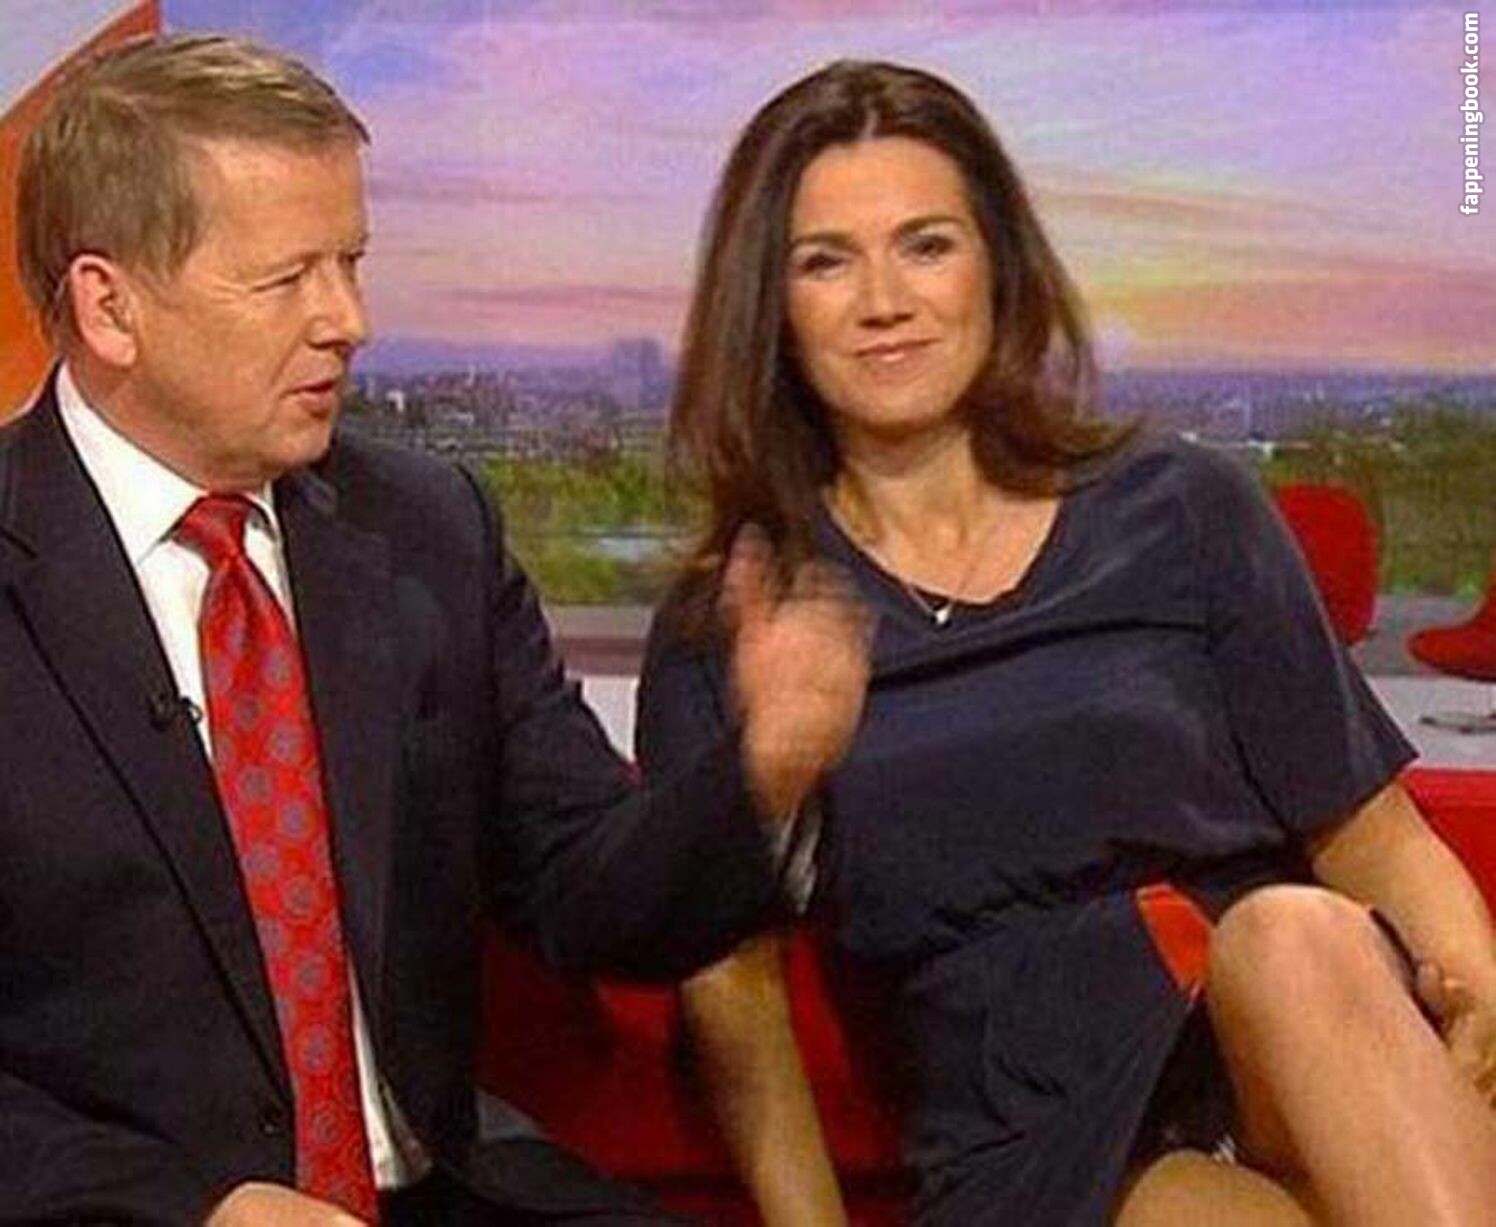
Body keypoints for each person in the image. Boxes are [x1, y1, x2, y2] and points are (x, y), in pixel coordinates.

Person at [0, 34, 869, 1226]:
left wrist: (761, 770)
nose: (348, 320)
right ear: (110, 307)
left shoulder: (423, 529)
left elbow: (585, 889)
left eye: (350, 263)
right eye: (287, 280)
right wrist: (194, 1204)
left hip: (439, 1190)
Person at [636, 60, 1496, 1226]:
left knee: (1291, 932)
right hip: (1036, 1141)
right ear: (769, 306)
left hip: (1290, 1051)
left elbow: (1371, 835)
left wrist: (1479, 1030)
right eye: (825, 261)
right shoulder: (737, 621)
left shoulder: (1182, 510)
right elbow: (731, 991)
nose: (883, 299)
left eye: (925, 245)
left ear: (996, 264)